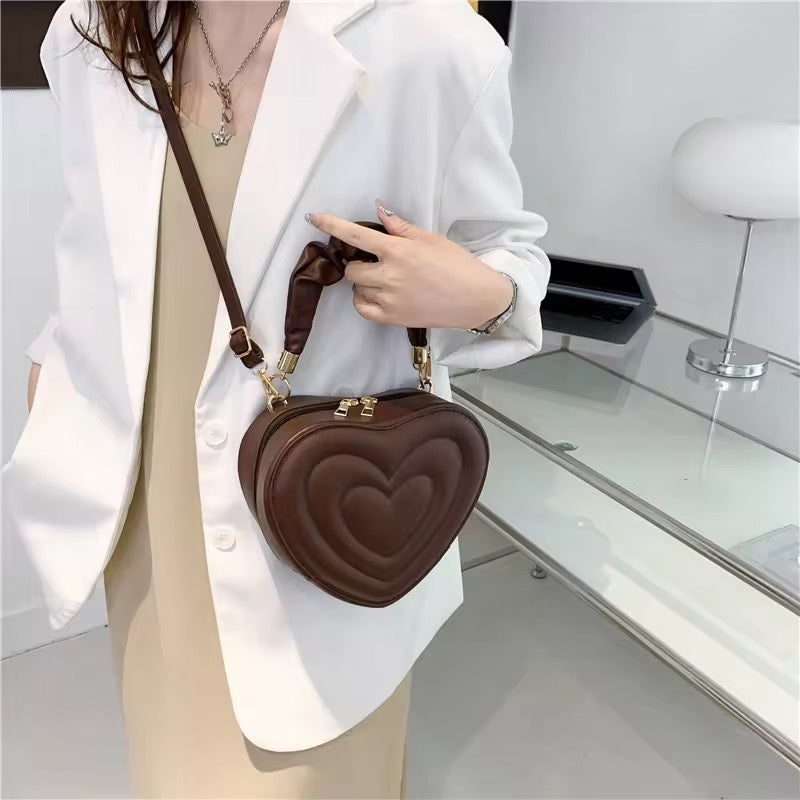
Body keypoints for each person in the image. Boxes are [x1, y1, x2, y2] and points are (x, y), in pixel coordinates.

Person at [5, 0, 549, 797]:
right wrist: (53, 365)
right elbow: (96, 241)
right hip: (147, 509)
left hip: (325, 510)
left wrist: (485, 295)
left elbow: (508, 246)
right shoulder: (94, 29)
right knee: (170, 765)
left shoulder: (433, 43)